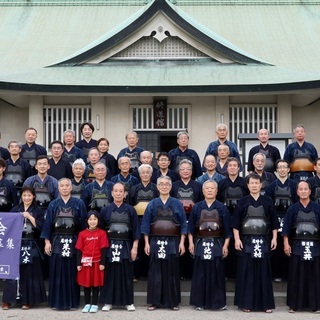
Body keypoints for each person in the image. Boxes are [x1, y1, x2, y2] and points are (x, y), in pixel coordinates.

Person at [233, 173, 279, 313]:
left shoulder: (268, 201)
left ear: (260, 185)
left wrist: (274, 238)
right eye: (251, 183)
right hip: (247, 240)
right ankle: (246, 303)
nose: (254, 185)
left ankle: (266, 304)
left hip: (264, 240)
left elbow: (274, 223)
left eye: (256, 183)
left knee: (264, 272)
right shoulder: (242, 201)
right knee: (247, 272)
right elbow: (236, 223)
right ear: (248, 185)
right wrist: (237, 239)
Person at [141, 176, 187, 311]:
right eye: (161, 184)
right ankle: (155, 302)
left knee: (172, 272)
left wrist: (182, 242)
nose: (164, 186)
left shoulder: (177, 203)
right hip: (156, 241)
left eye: (167, 184)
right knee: (156, 273)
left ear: (171, 187)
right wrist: (146, 243)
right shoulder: (152, 204)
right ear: (157, 187)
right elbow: (145, 225)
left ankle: (172, 302)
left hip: (173, 241)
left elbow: (183, 224)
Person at [41, 178, 87, 310]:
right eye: (62, 186)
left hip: (73, 241)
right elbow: (48, 224)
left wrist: (83, 244)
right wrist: (47, 241)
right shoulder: (53, 204)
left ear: (71, 188)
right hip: (56, 241)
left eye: (67, 185)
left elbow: (84, 226)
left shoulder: (79, 203)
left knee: (71, 273)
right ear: (58, 188)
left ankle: (72, 302)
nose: (65, 188)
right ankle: (56, 303)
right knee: (57, 272)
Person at [188, 180, 231, 311]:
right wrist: (191, 243)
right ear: (203, 191)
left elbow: (228, 230)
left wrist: (226, 245)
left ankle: (218, 303)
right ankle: (199, 302)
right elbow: (190, 228)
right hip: (201, 242)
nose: (210, 190)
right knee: (200, 273)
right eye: (207, 188)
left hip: (217, 242)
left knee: (217, 273)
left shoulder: (222, 207)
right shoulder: (197, 207)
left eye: (212, 188)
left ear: (217, 191)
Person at [2, 186, 46, 311]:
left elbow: (42, 227)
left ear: (33, 196)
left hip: (31, 243)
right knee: (12, 272)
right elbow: (6, 226)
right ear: (21, 197)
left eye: (29, 195)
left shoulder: (39, 211)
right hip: (15, 244)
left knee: (29, 273)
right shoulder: (15, 209)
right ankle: (8, 301)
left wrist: (30, 217)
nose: (27, 198)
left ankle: (27, 301)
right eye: (24, 195)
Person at [100, 182, 140, 312]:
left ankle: (128, 302)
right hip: (109, 245)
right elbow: (100, 231)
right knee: (109, 275)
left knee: (126, 274)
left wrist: (134, 247)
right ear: (111, 193)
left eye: (120, 191)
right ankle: (108, 301)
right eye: (115, 191)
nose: (118, 193)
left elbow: (135, 230)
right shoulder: (106, 209)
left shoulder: (130, 209)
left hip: (126, 245)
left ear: (124, 194)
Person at [282, 181, 320, 313]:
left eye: (306, 189)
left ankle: (316, 305)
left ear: (310, 191)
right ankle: (294, 305)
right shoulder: (292, 209)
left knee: (314, 276)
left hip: (315, 246)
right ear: (297, 192)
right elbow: (286, 229)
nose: (303, 191)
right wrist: (286, 243)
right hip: (297, 246)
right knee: (296, 275)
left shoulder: (317, 208)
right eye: (300, 189)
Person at [171, 159, 203, 279]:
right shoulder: (174, 186)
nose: (185, 171)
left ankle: (190, 273)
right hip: (177, 220)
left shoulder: (198, 186)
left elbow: (200, 204)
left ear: (192, 171)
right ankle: (179, 273)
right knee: (179, 245)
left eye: (188, 169)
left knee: (192, 245)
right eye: (182, 169)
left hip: (193, 218)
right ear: (179, 171)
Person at [266, 159, 297, 282]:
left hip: (290, 218)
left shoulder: (294, 185)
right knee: (277, 247)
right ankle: (276, 274)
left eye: (285, 167)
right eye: (280, 167)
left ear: (289, 170)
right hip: (276, 218)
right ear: (276, 170)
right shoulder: (271, 186)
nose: (282, 170)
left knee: (290, 246)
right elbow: (268, 204)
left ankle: (289, 274)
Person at [217, 157, 248, 279]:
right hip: (225, 216)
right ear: (227, 167)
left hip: (241, 218)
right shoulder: (222, 183)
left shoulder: (244, 182)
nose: (233, 168)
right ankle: (227, 273)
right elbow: (218, 200)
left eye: (235, 165)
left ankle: (238, 273)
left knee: (239, 243)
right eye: (230, 165)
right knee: (226, 244)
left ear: (239, 168)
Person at [128, 164, 159, 279]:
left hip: (153, 222)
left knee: (151, 246)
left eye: (147, 172)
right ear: (140, 175)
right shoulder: (134, 189)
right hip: (137, 221)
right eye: (143, 173)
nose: (145, 174)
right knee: (138, 246)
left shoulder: (156, 188)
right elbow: (130, 207)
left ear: (151, 174)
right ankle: (137, 273)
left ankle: (150, 273)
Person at [76, 210, 109, 313]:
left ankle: (94, 304)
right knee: (86, 284)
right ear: (87, 221)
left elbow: (104, 249)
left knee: (95, 284)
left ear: (98, 220)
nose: (93, 221)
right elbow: (79, 250)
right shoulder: (82, 234)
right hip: (85, 262)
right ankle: (86, 304)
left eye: (95, 219)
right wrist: (78, 264)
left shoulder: (102, 233)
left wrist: (102, 263)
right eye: (90, 219)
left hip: (97, 263)